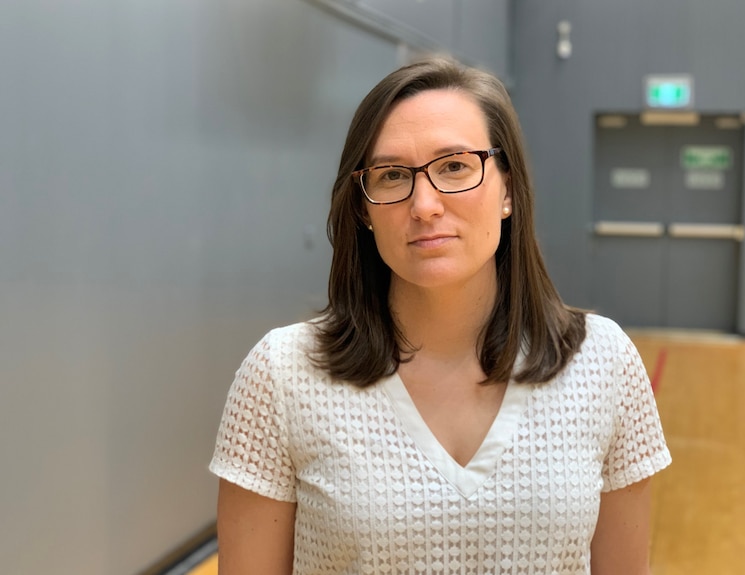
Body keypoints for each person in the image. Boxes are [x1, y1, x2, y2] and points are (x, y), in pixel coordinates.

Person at [210, 56, 671, 574]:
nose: (425, 204)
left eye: (454, 165)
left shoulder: (603, 361)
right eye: (391, 175)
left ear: (508, 190)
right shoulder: (282, 374)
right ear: (363, 208)